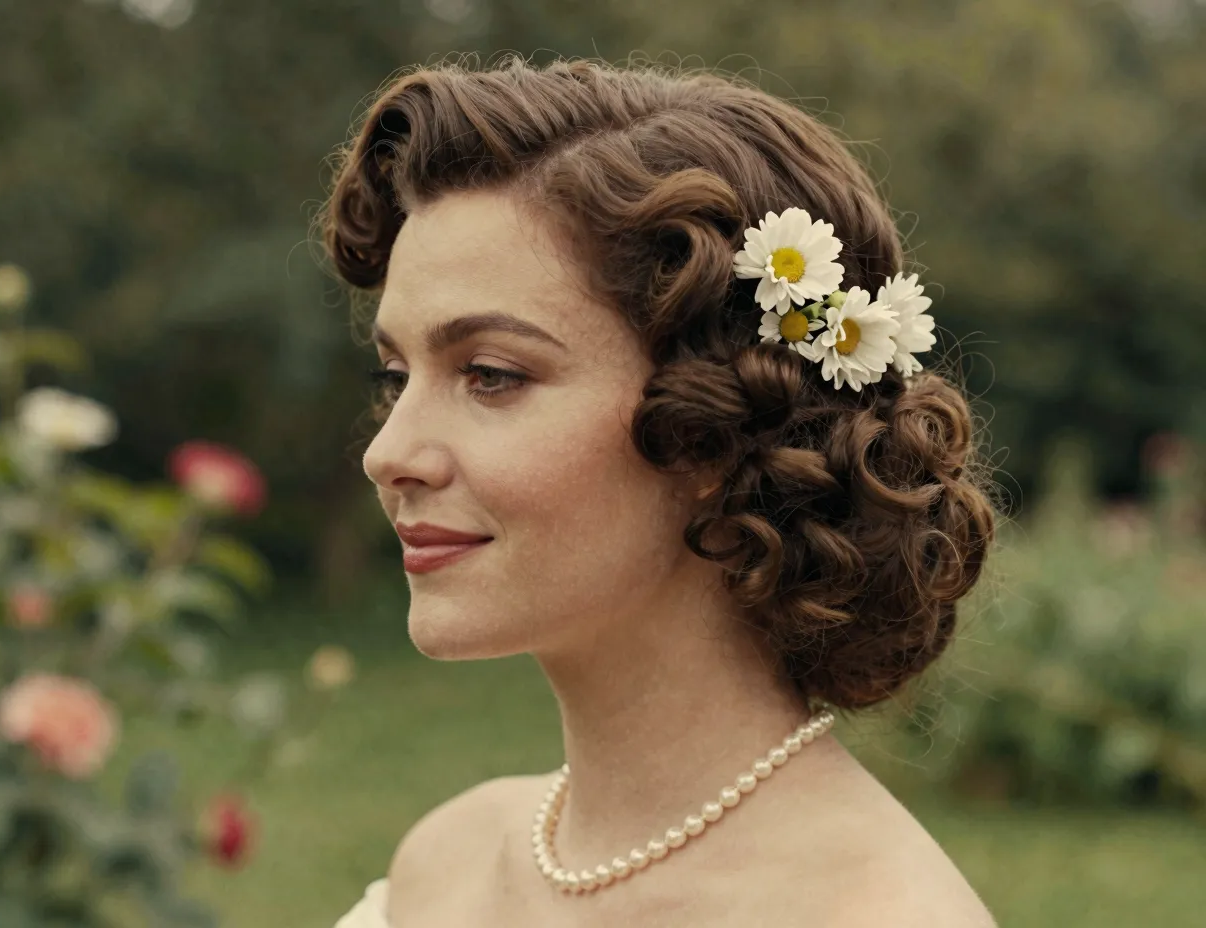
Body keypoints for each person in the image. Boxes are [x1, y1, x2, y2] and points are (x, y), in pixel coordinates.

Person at [322, 56, 998, 928]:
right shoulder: (443, 864)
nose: (389, 452)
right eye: (394, 375)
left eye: (489, 375)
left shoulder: (875, 914)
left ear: (717, 422)